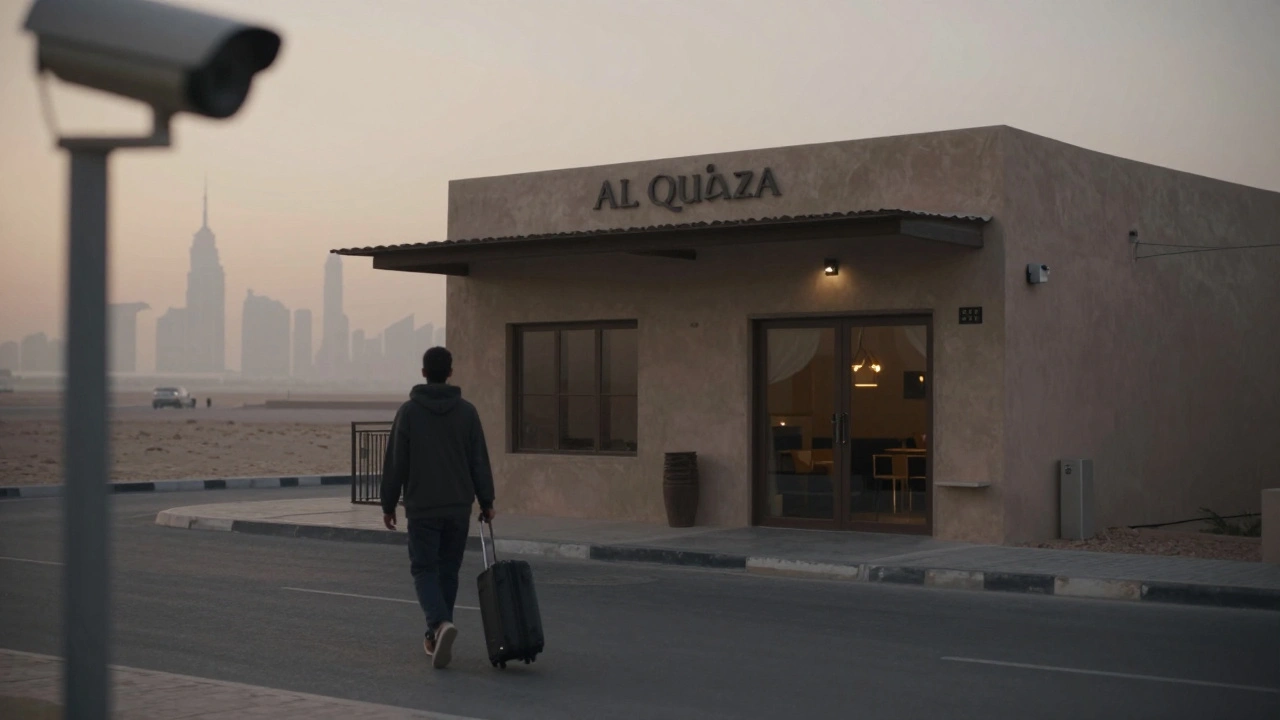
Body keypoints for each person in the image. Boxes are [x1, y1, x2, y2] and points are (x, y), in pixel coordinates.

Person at [381, 346, 495, 669]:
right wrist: (486, 501)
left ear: (423, 373)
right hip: (458, 507)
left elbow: (395, 463)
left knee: (424, 569)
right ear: (450, 373)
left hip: (422, 507)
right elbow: (479, 461)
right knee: (448, 570)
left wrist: (388, 504)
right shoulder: (467, 413)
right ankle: (437, 633)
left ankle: (439, 624)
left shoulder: (408, 413)